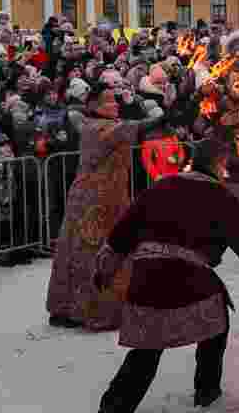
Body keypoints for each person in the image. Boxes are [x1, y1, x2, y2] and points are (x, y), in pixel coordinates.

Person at [93, 138, 239, 412]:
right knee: (217, 324)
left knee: (147, 348)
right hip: (188, 278)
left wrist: (105, 269)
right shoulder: (221, 196)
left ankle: (115, 406)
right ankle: (207, 390)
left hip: (146, 276)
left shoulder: (161, 186)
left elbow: (122, 233)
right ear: (218, 163)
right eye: (225, 163)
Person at [45, 82, 171, 330]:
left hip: (92, 196)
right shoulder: (106, 129)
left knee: (75, 251)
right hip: (99, 200)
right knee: (95, 253)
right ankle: (93, 311)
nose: (116, 105)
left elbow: (76, 112)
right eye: (109, 101)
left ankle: (65, 308)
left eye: (115, 100)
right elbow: (145, 124)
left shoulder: (91, 124)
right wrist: (158, 110)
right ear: (95, 106)